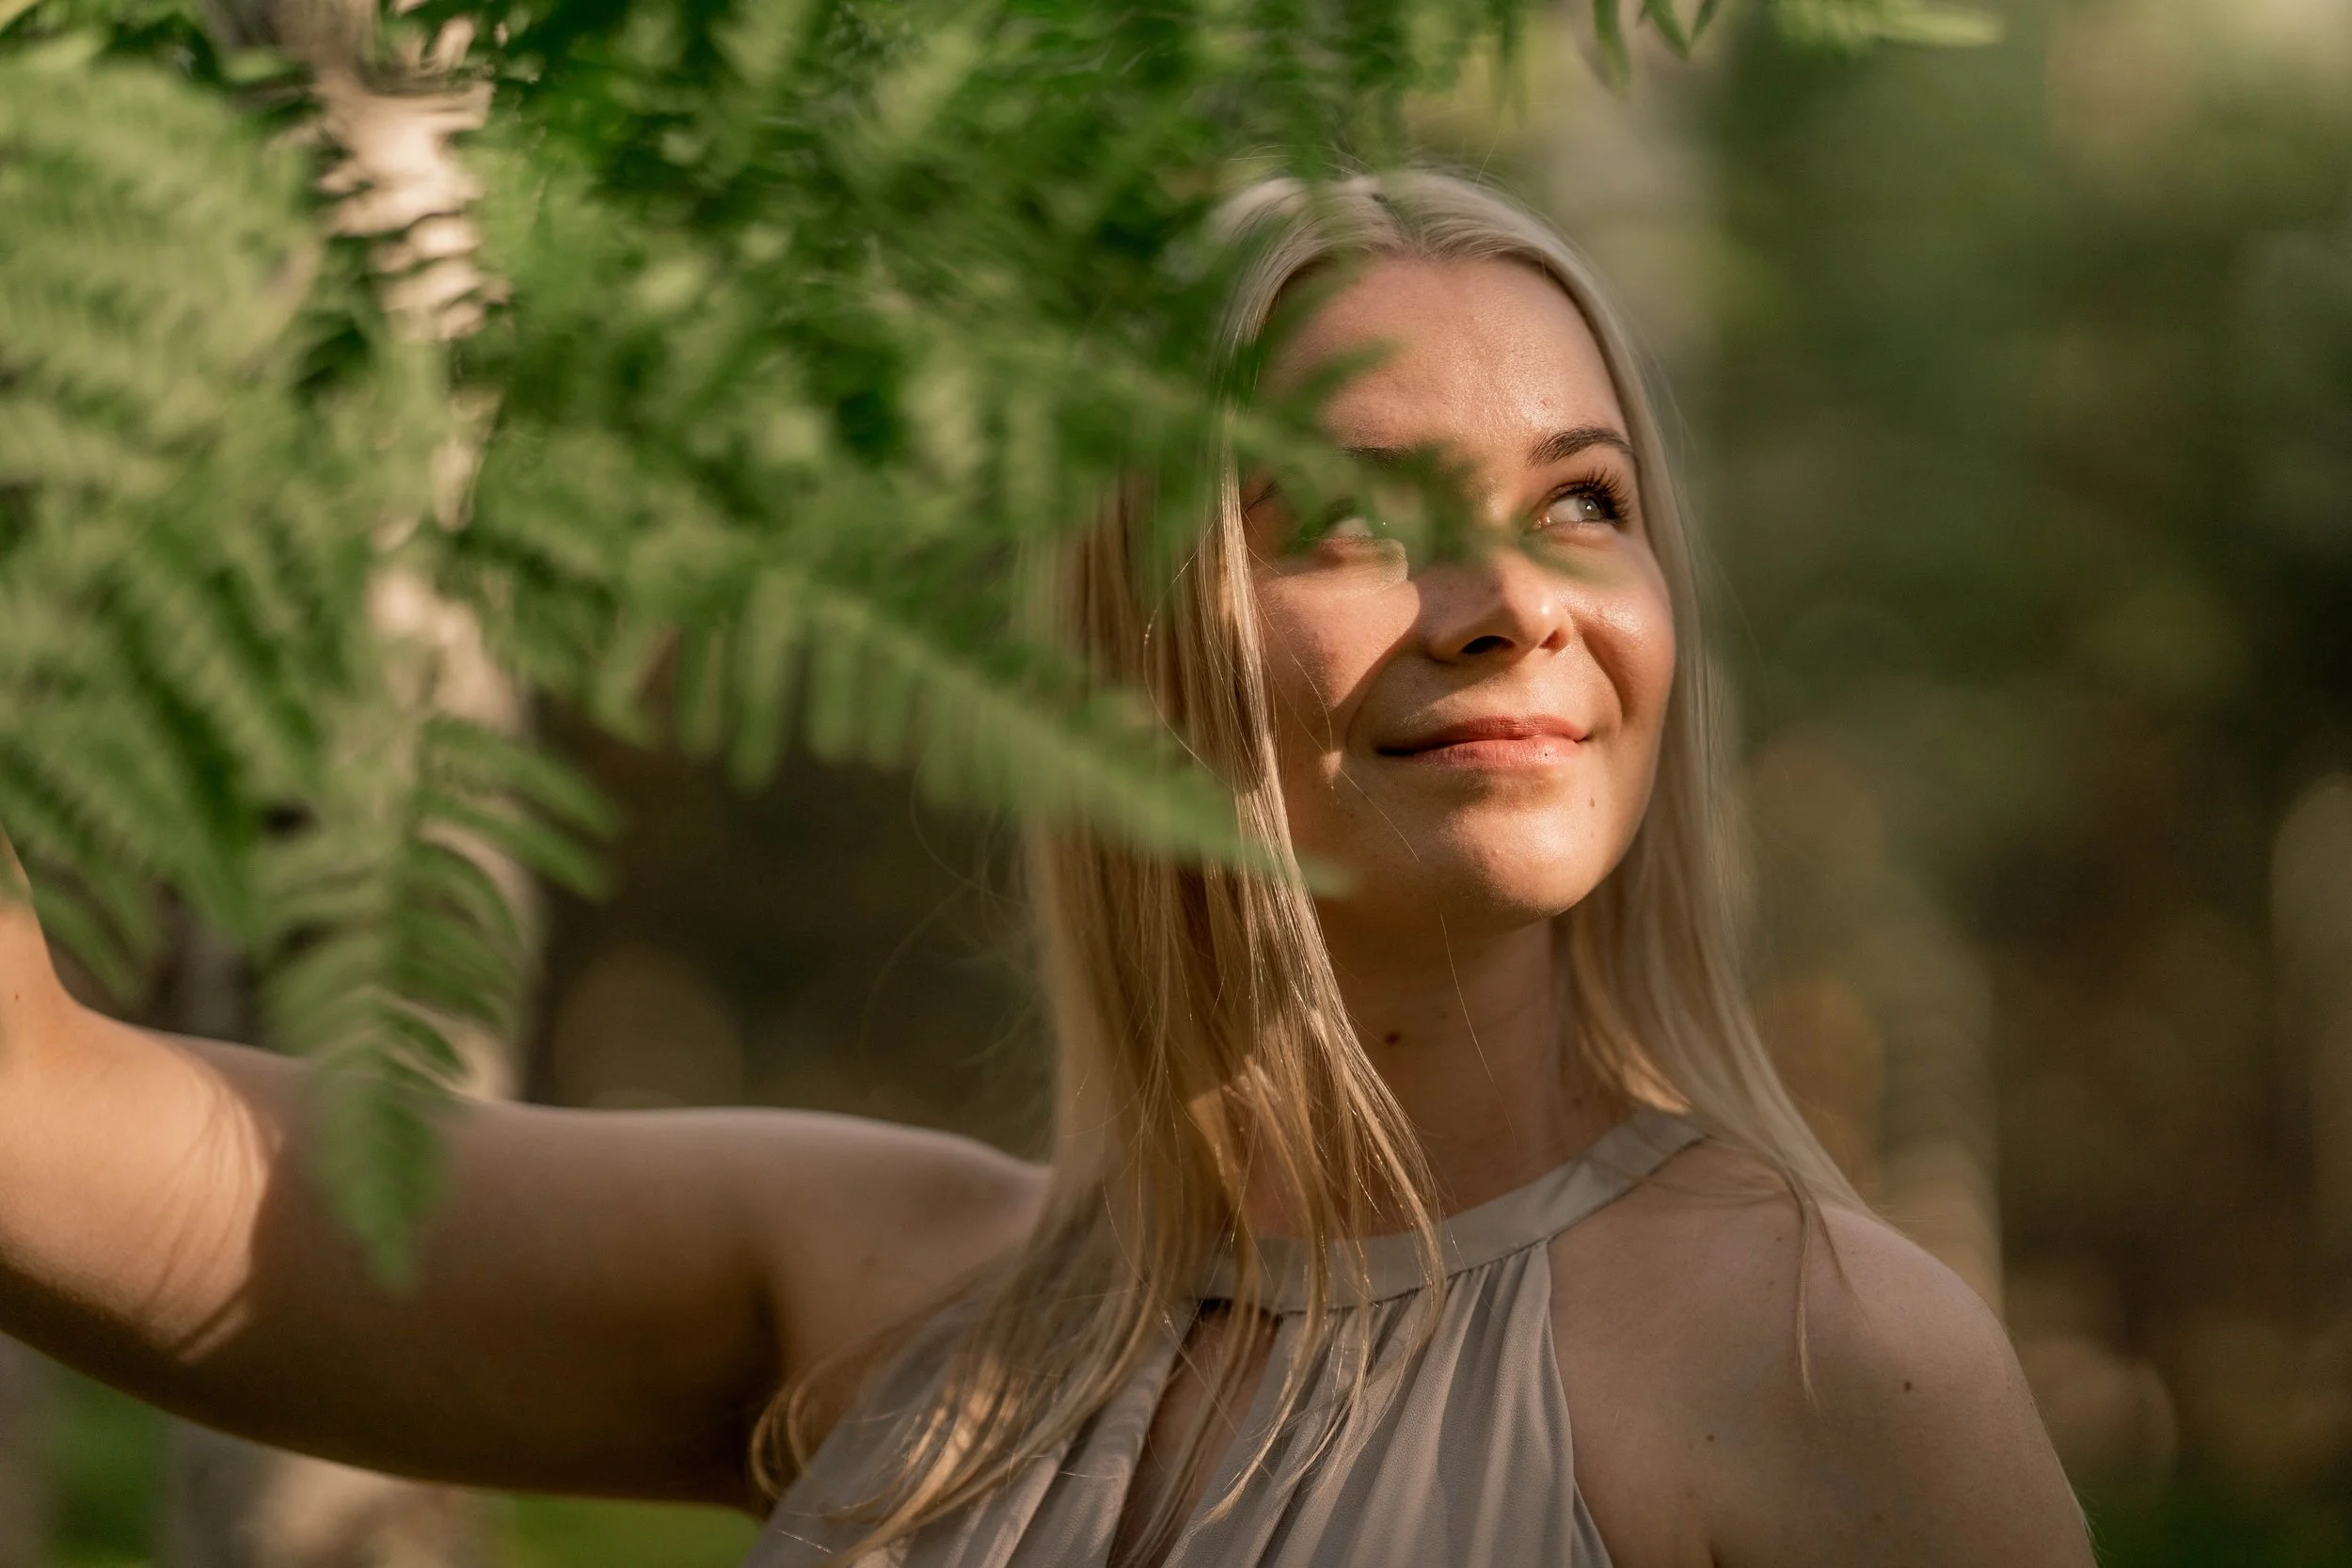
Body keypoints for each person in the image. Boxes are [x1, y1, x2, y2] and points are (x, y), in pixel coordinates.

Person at [0, 170, 2090, 1568]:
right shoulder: (882, 1297)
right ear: (1125, 651)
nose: (1504, 602)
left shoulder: (1825, 1356)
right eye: (1352, 517)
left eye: (1583, 499)